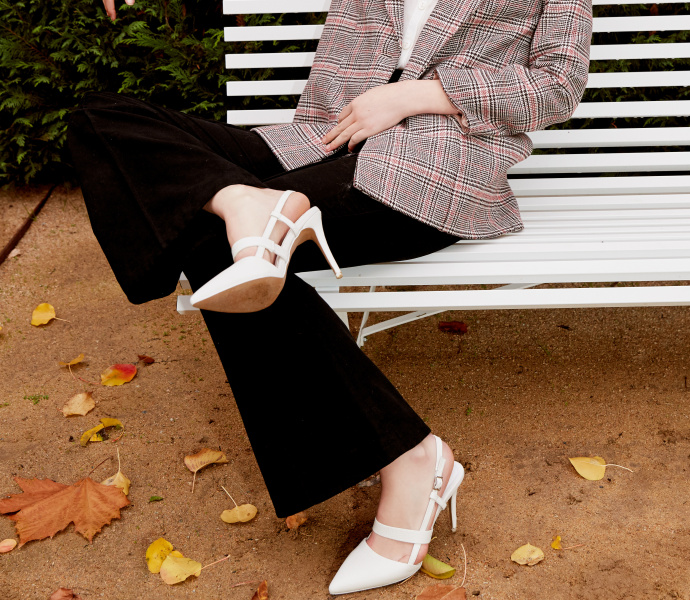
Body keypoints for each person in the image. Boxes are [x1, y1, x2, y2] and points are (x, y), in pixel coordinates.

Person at [70, 0, 591, 593]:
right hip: (318, 140)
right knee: (99, 118)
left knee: (214, 245)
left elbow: (558, 85)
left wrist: (416, 96)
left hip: (432, 164)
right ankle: (242, 201)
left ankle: (411, 461)